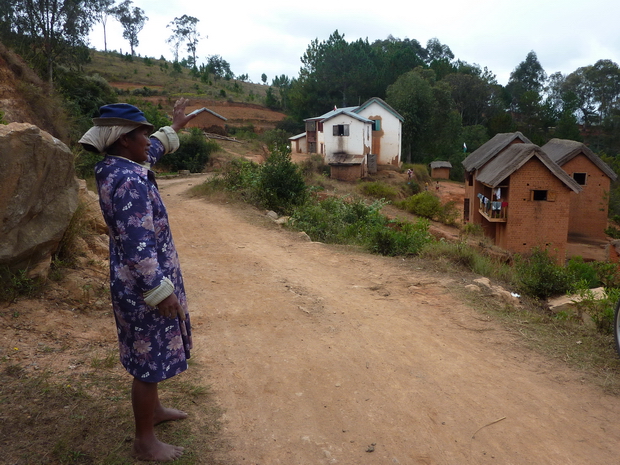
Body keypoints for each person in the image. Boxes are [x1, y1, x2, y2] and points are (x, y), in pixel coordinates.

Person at [79, 99, 197, 461]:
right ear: (123, 140)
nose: (148, 139)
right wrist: (160, 292)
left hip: (132, 280)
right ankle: (144, 442)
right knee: (148, 361)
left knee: (152, 352)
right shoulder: (130, 181)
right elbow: (138, 245)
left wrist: (173, 127)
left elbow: (153, 151)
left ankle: (155, 412)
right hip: (142, 285)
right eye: (143, 133)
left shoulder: (115, 167)